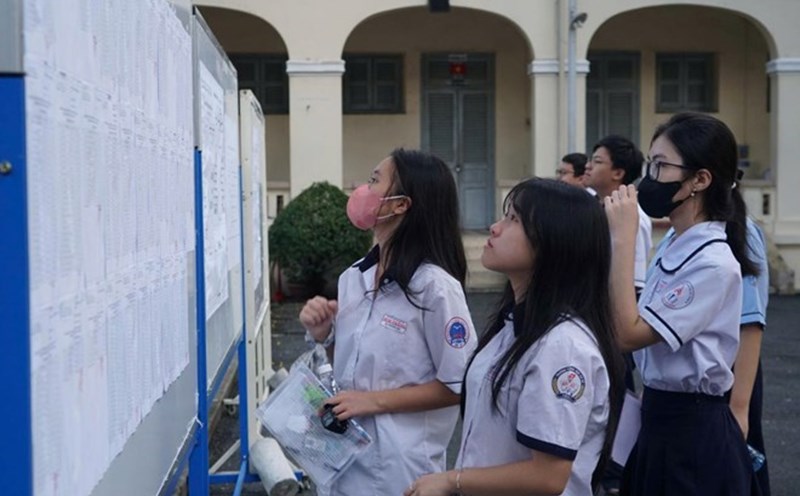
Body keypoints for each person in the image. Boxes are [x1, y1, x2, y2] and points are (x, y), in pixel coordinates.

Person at [405, 178, 624, 496]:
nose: (495, 228)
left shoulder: (562, 345)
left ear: (554, 242)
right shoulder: (514, 326)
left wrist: (451, 480)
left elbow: (548, 477)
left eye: (514, 220)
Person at [299, 148, 477, 496]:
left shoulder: (436, 288)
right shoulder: (354, 277)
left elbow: (457, 385)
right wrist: (325, 335)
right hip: (342, 459)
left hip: (401, 470)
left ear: (401, 205)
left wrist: (372, 401)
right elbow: (349, 369)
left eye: (374, 180)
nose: (361, 189)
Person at [605, 112, 753, 495]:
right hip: (658, 417)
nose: (649, 179)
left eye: (660, 166)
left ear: (700, 180)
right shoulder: (676, 242)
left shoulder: (713, 263)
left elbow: (628, 333)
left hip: (692, 432)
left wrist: (622, 240)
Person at [655, 182, 771, 495]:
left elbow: (750, 325)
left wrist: (740, 409)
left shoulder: (740, 232)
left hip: (727, 375)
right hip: (685, 386)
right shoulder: (676, 234)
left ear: (702, 180)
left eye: (664, 166)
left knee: (738, 470)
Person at [585, 135, 652, 293]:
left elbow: (634, 284)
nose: (588, 166)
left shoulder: (633, 218)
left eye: (597, 161)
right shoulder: (592, 207)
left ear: (618, 173)